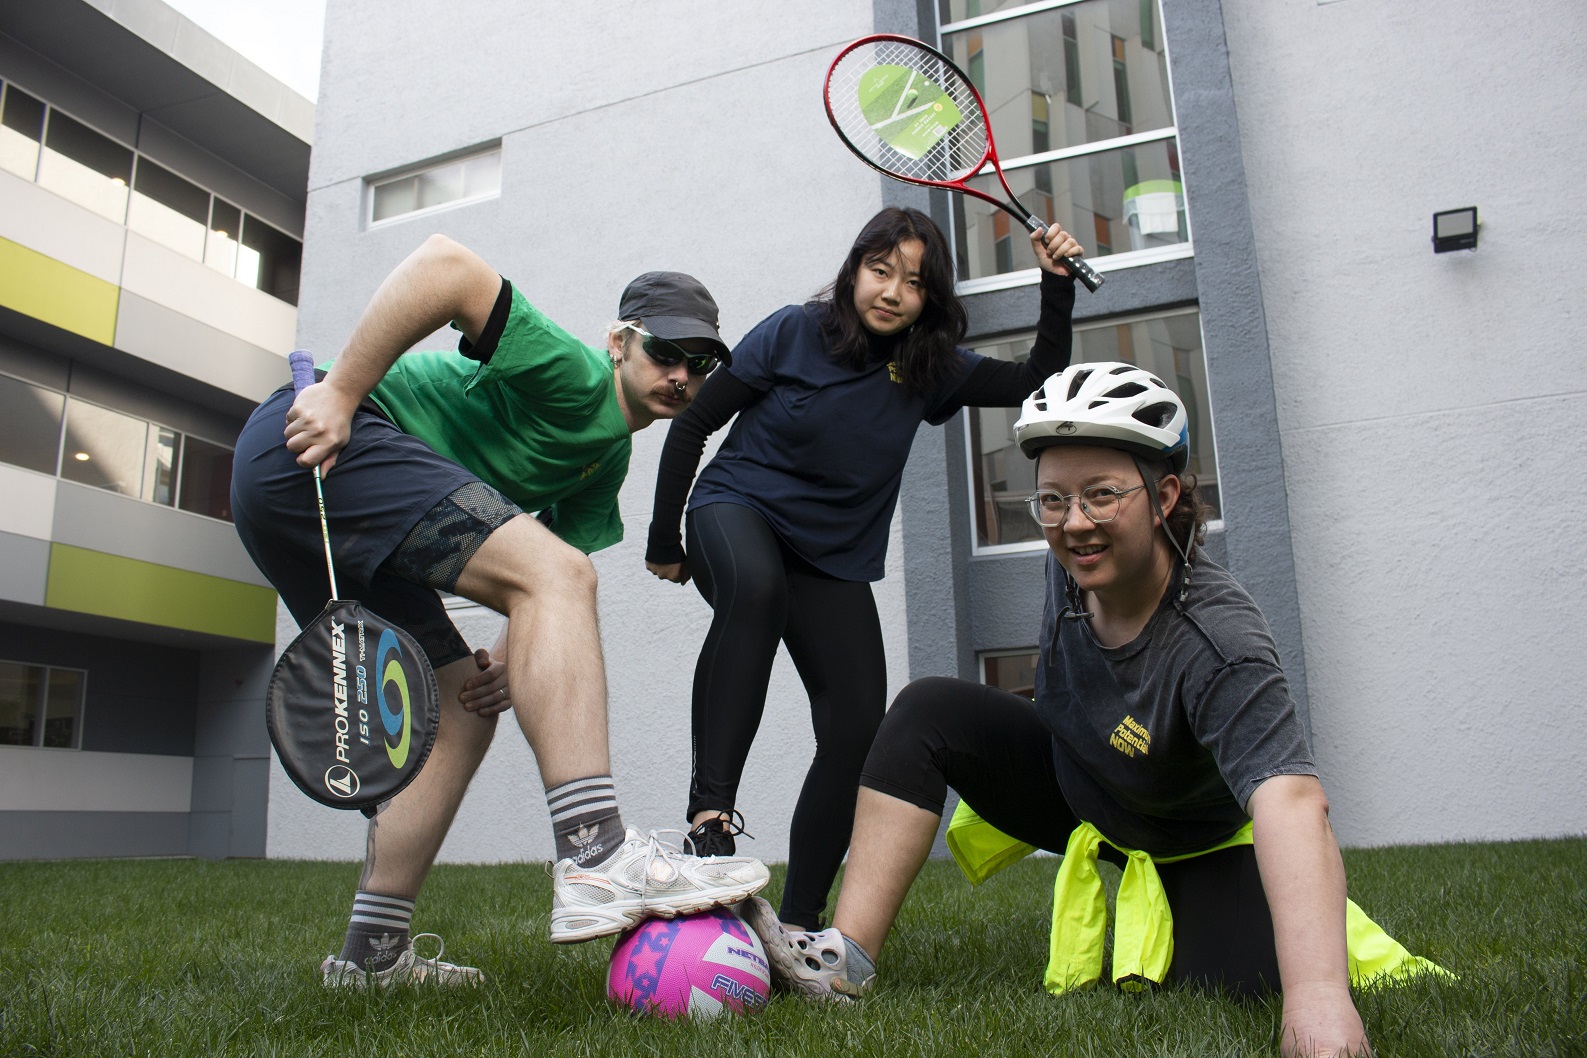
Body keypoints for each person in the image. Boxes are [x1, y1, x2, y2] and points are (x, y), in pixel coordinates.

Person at [742, 363, 1446, 1057]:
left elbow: (1290, 802)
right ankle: (845, 962)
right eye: (1051, 500)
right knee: (928, 708)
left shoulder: (1219, 641)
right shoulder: (1072, 561)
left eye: (1102, 496)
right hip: (1079, 786)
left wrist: (1318, 997)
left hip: (1189, 840)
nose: (1074, 524)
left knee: (1223, 984)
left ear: (1165, 494)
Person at [231, 234, 770, 988]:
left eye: (699, 365)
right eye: (664, 353)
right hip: (319, 440)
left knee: (461, 704)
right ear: (619, 344)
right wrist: (342, 392)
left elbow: (537, 568)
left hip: (319, 502)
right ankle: (596, 856)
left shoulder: (603, 460)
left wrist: (511, 659)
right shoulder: (575, 375)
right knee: (562, 578)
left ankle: (371, 959)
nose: (680, 376)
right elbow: (445, 266)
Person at [645, 206, 1085, 931]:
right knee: (755, 593)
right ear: (854, 270)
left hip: (831, 556)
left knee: (855, 729)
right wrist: (666, 540)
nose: (891, 291)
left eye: (912, 281)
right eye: (880, 271)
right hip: (736, 509)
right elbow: (696, 422)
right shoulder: (793, 330)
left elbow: (1037, 377)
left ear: (929, 297)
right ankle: (709, 819)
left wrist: (1056, 283)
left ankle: (798, 923)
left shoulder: (927, 369)